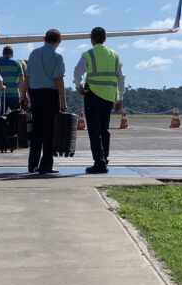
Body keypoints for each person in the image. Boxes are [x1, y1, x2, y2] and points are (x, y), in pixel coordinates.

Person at [73, 26, 125, 174]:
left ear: (92, 39)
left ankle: (99, 163)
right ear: (105, 39)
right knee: (104, 129)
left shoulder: (89, 54)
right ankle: (104, 158)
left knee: (94, 131)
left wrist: (78, 87)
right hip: (109, 96)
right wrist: (119, 98)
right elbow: (121, 78)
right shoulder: (115, 55)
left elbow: (77, 71)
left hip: (93, 94)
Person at [25, 29, 67, 174]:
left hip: (35, 95)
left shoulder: (33, 54)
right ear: (58, 41)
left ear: (44, 38)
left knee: (37, 131)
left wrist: (23, 95)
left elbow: (27, 77)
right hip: (50, 95)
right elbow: (59, 80)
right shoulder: (57, 57)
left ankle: (32, 164)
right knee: (49, 132)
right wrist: (63, 101)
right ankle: (46, 165)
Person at [0, 46, 25, 112]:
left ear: (3, 53)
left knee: (0, 118)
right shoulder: (17, 63)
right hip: (14, 94)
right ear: (12, 54)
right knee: (16, 118)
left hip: (1, 95)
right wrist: (22, 94)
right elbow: (21, 80)